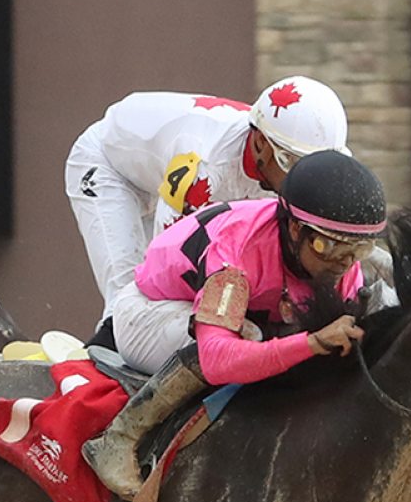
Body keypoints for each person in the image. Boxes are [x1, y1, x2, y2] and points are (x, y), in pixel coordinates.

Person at [83, 150, 387, 497]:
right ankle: (118, 439)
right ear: (294, 227)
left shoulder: (340, 264)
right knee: (249, 336)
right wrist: (311, 343)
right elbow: (215, 357)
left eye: (357, 250)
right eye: (327, 246)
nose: (341, 265)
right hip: (149, 314)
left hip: (226, 314)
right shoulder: (237, 252)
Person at [66, 76, 351, 335]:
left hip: (154, 167)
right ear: (262, 143)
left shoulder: (268, 151)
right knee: (130, 299)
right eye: (295, 165)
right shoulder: (205, 164)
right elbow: (167, 258)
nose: (307, 182)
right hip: (108, 169)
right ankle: (104, 372)